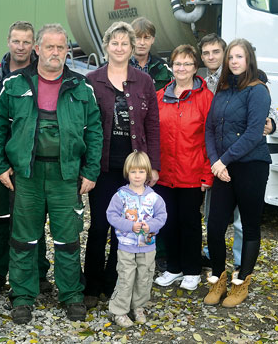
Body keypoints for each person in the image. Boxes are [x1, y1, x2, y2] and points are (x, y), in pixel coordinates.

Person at [0, 23, 102, 324]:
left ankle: (71, 295)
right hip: (27, 172)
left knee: (67, 238)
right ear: (37, 49)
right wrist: (0, 166)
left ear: (68, 51)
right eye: (49, 47)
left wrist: (90, 171)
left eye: (61, 47)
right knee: (23, 238)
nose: (55, 53)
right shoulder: (14, 84)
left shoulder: (81, 86)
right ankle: (23, 296)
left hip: (66, 174)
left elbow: (95, 133)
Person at [83, 21, 160, 308]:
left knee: (126, 227)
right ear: (106, 46)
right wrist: (85, 167)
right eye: (114, 43)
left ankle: (115, 282)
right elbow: (84, 125)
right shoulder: (91, 80)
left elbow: (152, 124)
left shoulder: (144, 81)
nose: (119, 47)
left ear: (131, 48)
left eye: (124, 43)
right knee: (100, 224)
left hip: (133, 169)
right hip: (102, 167)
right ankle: (91, 284)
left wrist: (154, 165)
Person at [199, 34, 277, 273]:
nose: (233, 61)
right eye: (231, 57)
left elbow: (258, 128)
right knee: (214, 223)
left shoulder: (258, 86)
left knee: (247, 224)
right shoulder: (217, 87)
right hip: (220, 165)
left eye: (238, 56)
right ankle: (217, 274)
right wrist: (216, 162)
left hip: (248, 163)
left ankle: (242, 274)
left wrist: (273, 122)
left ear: (248, 59)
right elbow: (210, 127)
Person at [0, 20, 49, 297]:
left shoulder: (42, 74)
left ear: (33, 45)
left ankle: (38, 273)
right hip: (0, 162)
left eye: (26, 42)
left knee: (33, 220)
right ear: (8, 41)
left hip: (32, 162)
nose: (21, 47)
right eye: (16, 41)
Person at [153, 44, 213, 291]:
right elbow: (153, 135)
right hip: (164, 173)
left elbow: (212, 138)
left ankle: (192, 270)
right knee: (168, 221)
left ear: (195, 67)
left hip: (192, 172)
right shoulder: (160, 96)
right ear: (171, 66)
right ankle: (174, 268)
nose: (182, 68)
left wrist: (207, 173)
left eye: (187, 64)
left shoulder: (205, 98)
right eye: (178, 63)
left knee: (189, 221)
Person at [106, 151, 167, 327]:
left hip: (148, 247)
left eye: (141, 171)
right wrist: (129, 226)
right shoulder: (120, 196)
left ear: (147, 173)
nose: (137, 175)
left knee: (144, 278)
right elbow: (112, 216)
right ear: (127, 173)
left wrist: (152, 226)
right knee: (126, 278)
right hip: (126, 246)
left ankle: (138, 307)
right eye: (133, 172)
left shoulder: (154, 198)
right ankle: (119, 311)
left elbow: (162, 217)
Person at [129, 17, 173, 91]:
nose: (142, 43)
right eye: (138, 37)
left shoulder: (163, 67)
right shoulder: (117, 67)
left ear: (153, 40)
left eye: (146, 38)